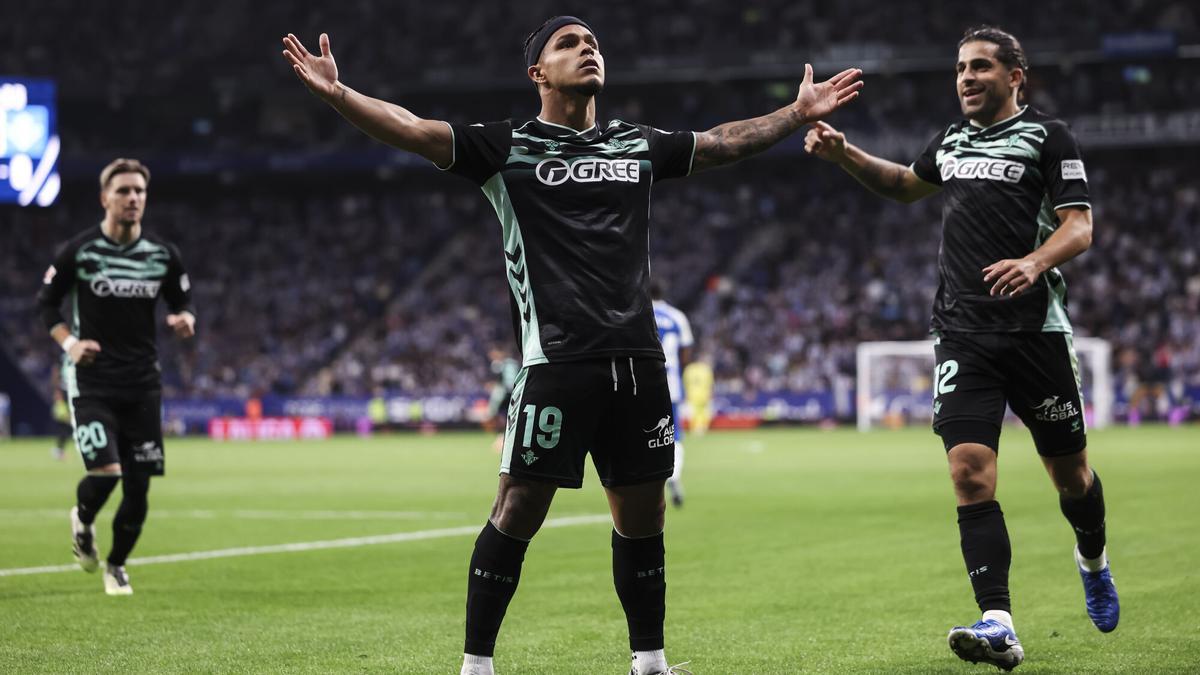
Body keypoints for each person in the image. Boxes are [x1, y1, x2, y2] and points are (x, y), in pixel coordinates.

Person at [283, 17, 861, 675]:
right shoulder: (504, 146)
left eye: (593, 43)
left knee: (643, 518)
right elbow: (414, 130)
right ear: (538, 73)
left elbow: (724, 143)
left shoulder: (637, 144)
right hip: (556, 362)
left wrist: (796, 111)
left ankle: (649, 660)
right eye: (569, 43)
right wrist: (340, 96)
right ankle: (476, 664)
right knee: (517, 508)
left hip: (639, 363)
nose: (588, 50)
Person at [804, 26, 1116, 670]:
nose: (966, 78)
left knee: (1072, 477)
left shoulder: (1048, 137)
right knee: (969, 472)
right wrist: (844, 153)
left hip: (1037, 335)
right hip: (962, 333)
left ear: (1014, 77)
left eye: (979, 67)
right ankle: (998, 621)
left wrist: (1033, 263)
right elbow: (902, 184)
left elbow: (1079, 226)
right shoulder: (950, 140)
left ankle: (1093, 558)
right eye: (959, 69)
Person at [37, 158, 195, 596]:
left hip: (143, 383)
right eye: (124, 191)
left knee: (139, 489)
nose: (133, 198)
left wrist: (184, 318)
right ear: (105, 198)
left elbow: (183, 300)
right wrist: (70, 343)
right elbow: (47, 303)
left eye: (139, 192)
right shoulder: (80, 251)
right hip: (92, 381)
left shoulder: (163, 255)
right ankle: (83, 519)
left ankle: (117, 564)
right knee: (107, 472)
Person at [649, 281, 693, 508]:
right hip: (671, 385)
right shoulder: (677, 317)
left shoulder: (640, 313)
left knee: (640, 432)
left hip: (643, 384)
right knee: (674, 436)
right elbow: (685, 353)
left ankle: (643, 481)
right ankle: (674, 478)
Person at [484, 347, 522, 453]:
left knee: (497, 414)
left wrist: (493, 385)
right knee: (508, 415)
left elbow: (501, 381)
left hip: (506, 393)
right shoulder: (513, 363)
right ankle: (505, 437)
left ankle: (502, 438)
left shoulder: (501, 365)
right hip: (516, 392)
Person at [682, 358, 714, 436]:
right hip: (704, 394)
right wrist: (710, 393)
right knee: (703, 413)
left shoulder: (688, 369)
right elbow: (710, 383)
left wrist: (685, 394)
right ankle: (701, 428)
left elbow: (684, 383)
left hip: (692, 394)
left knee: (694, 413)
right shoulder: (706, 369)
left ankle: (695, 429)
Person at [50, 365, 72, 460]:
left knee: (66, 427)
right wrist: (57, 392)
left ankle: (59, 450)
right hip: (64, 400)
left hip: (71, 395)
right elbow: (55, 372)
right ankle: (58, 450)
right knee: (64, 426)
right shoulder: (62, 359)